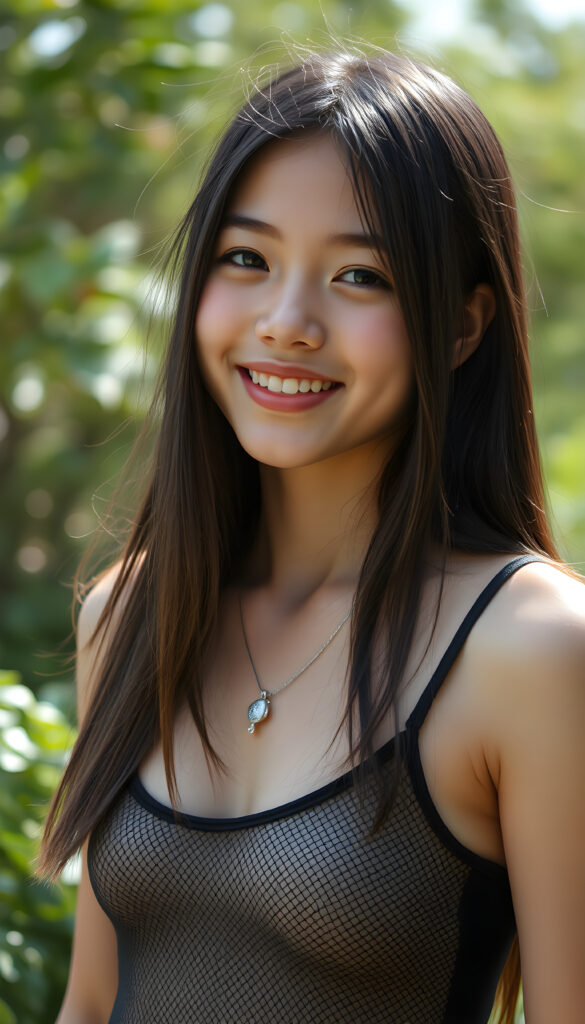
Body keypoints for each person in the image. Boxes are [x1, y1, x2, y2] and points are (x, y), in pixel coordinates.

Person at [38, 46, 585, 1024]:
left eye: (361, 276)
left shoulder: (532, 648)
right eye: (246, 258)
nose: (287, 322)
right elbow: (92, 999)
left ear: (462, 328)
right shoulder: (131, 613)